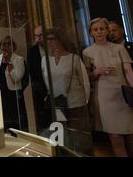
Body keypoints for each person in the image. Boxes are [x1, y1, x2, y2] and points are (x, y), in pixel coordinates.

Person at [82, 18, 133, 157]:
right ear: (91, 33)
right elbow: (87, 77)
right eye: (95, 30)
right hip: (104, 98)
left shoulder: (119, 48)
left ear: (106, 31)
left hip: (123, 96)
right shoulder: (87, 52)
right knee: (115, 138)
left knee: (131, 135)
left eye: (101, 29)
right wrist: (96, 72)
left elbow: (128, 71)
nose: (99, 32)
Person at [41, 30, 90, 134]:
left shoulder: (74, 58)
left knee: (77, 134)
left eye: (52, 39)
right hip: (57, 103)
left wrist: (86, 102)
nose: (49, 42)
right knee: (60, 134)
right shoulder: (44, 60)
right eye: (47, 39)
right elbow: (47, 82)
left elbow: (84, 82)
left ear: (60, 39)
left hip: (75, 103)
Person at [0, 36, 28, 131]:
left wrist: (10, 65)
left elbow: (16, 78)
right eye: (4, 44)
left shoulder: (19, 59)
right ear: (0, 46)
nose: (6, 46)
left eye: (9, 44)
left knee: (15, 121)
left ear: (13, 46)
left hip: (13, 95)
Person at [27, 25, 51, 134]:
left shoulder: (54, 47)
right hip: (41, 88)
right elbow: (31, 71)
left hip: (56, 87)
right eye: (36, 36)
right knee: (44, 118)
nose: (38, 38)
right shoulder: (32, 51)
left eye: (41, 35)